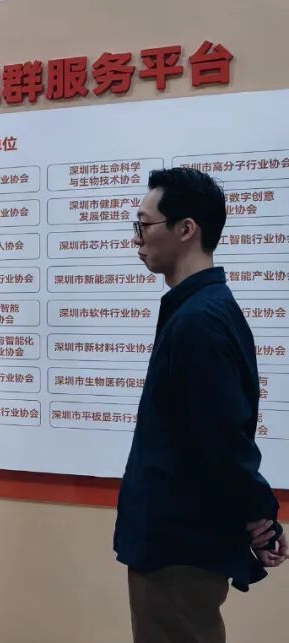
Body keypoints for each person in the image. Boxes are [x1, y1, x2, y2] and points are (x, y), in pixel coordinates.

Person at [116, 167, 286, 643]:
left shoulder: (199, 321)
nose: (136, 240)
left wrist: (260, 516)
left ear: (186, 229)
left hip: (180, 546)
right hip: (177, 540)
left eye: (143, 225)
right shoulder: (200, 308)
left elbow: (220, 439)